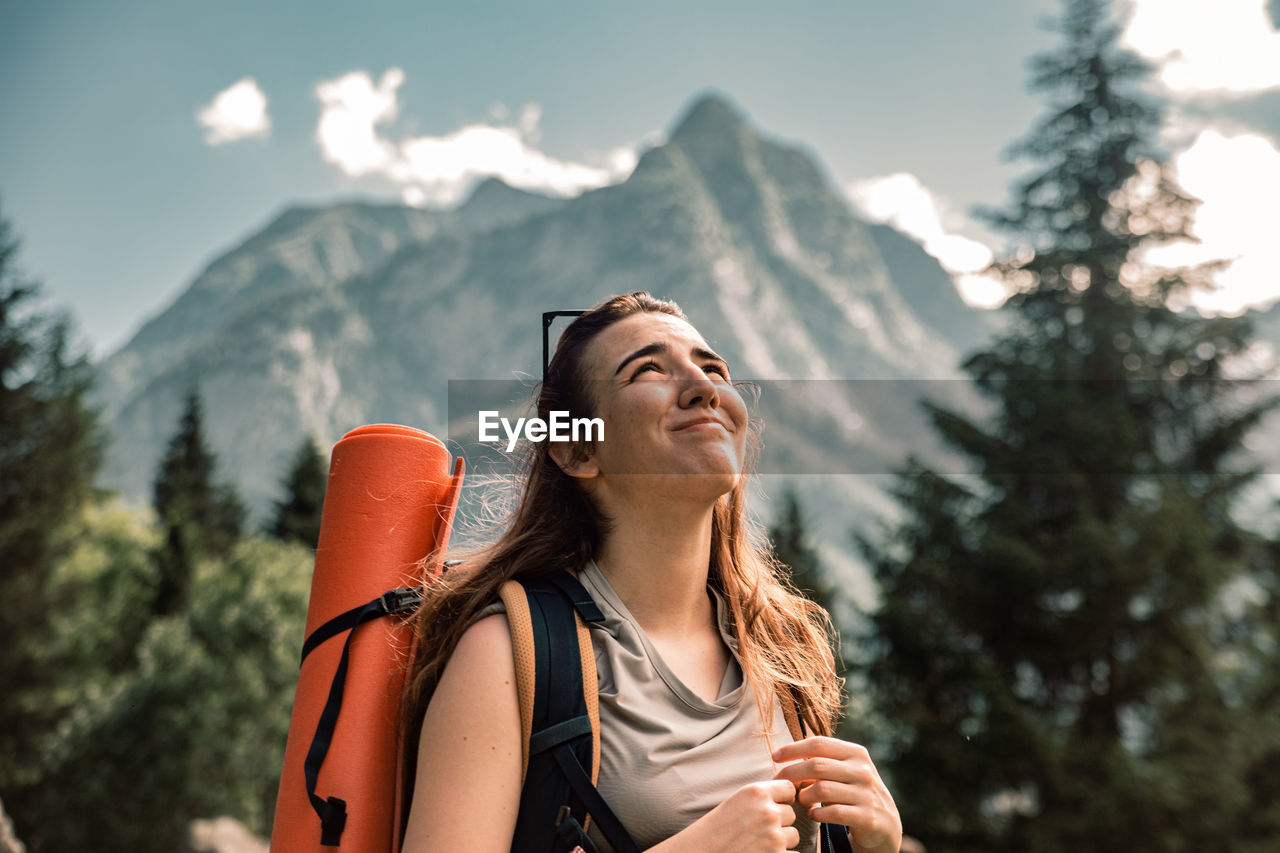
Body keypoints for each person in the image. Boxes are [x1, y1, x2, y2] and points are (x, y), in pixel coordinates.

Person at [399, 292, 902, 852]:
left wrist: (875, 845)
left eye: (713, 368)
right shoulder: (509, 654)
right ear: (576, 451)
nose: (704, 387)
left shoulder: (782, 644)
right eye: (648, 370)